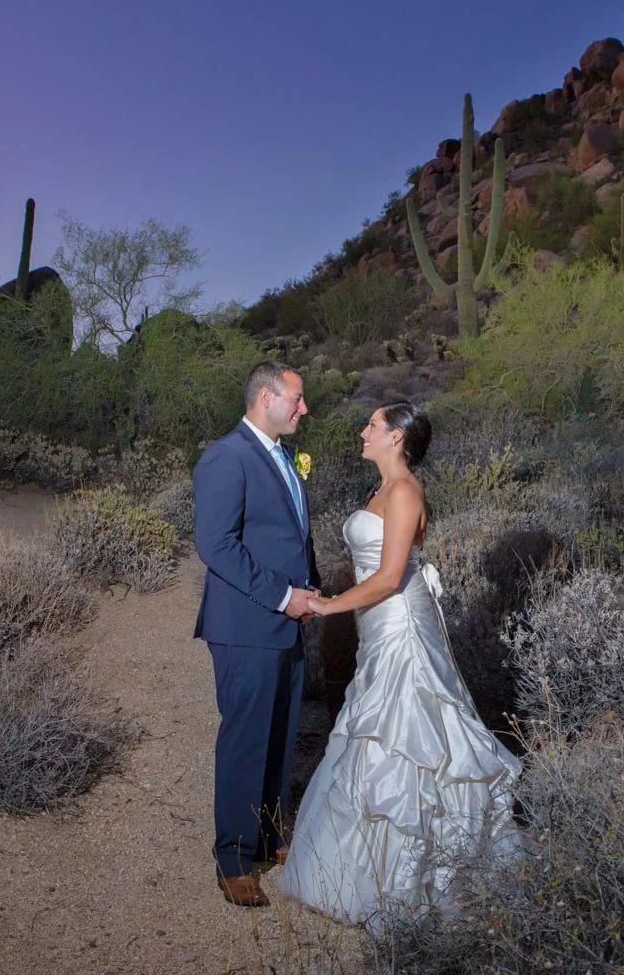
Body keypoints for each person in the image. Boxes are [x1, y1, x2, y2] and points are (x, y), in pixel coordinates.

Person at [273, 401, 521, 929]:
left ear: (396, 438)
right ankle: (363, 864)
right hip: (377, 625)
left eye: (372, 425)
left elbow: (388, 578)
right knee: (374, 725)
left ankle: (419, 873)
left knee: (407, 726)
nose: (363, 432)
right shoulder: (381, 489)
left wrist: (327, 607)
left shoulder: (405, 491)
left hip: (401, 624)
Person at [192, 361, 321, 907]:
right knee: (246, 739)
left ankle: (269, 834)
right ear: (266, 397)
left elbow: (290, 536)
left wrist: (308, 590)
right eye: (296, 398)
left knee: (281, 735)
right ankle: (234, 858)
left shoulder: (282, 456)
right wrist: (284, 596)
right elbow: (216, 545)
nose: (304, 408)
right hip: (247, 625)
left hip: (287, 622)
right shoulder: (227, 457)